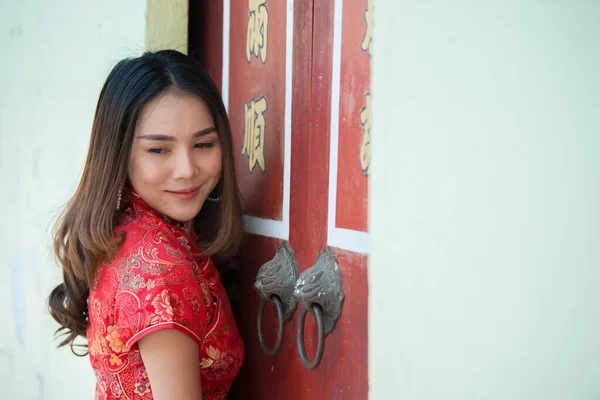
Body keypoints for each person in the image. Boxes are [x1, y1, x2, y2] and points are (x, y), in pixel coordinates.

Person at [48, 50, 245, 400]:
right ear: (119, 152)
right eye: (159, 150)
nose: (186, 169)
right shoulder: (160, 270)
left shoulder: (127, 230)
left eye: (203, 144)